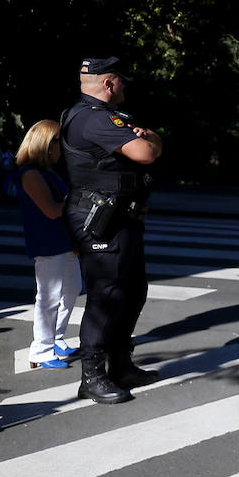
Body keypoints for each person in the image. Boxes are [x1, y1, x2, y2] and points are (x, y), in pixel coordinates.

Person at [61, 56, 163, 404]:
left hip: (121, 216)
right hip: (100, 219)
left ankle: (120, 364)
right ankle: (92, 375)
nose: (124, 86)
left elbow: (148, 148)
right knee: (106, 295)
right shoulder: (95, 119)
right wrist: (150, 138)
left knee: (132, 291)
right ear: (109, 83)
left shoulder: (104, 118)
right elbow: (146, 153)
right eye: (122, 81)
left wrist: (150, 138)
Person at [14, 120, 81, 371]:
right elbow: (51, 211)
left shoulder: (47, 171)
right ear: (46, 144)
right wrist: (77, 202)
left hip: (63, 240)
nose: (61, 149)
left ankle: (56, 339)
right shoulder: (31, 174)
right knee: (49, 297)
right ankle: (41, 350)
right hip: (47, 241)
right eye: (58, 143)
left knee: (72, 289)